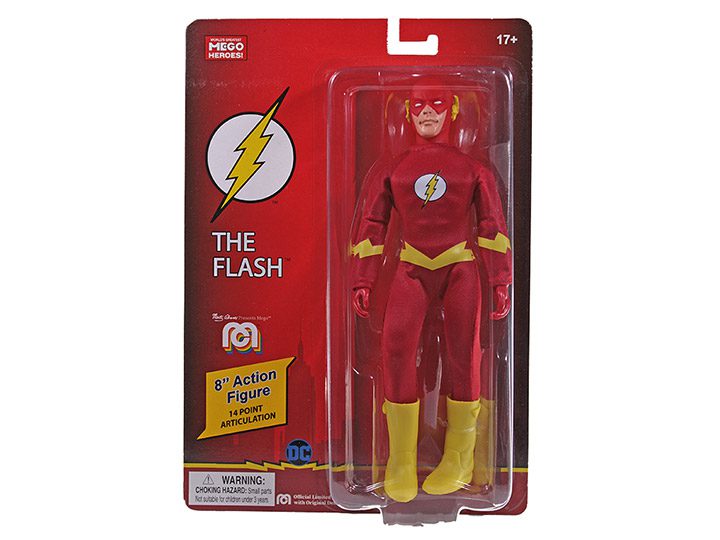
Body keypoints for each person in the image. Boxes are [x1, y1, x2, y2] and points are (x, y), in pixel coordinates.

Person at [350, 82, 512, 502]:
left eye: (436, 103)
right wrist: (363, 278)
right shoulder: (395, 168)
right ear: (407, 112)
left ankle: (460, 457)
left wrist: (500, 280)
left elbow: (491, 226)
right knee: (395, 351)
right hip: (410, 267)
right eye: (418, 104)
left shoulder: (473, 170)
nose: (427, 111)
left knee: (464, 356)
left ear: (453, 110)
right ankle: (401, 459)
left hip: (460, 267)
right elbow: (372, 226)